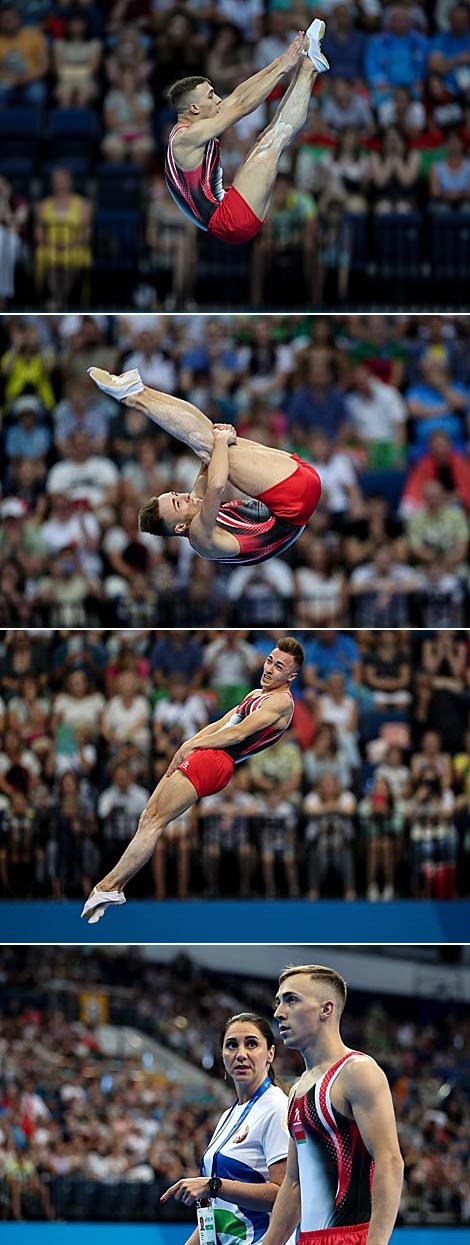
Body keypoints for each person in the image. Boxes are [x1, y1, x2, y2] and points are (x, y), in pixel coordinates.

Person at [81, 637, 304, 922]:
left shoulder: (282, 703)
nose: (270, 668)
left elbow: (237, 734)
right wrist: (188, 743)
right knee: (148, 817)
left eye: (280, 666)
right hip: (209, 753)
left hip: (217, 760)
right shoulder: (255, 693)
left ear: (291, 676)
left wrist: (195, 747)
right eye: (270, 660)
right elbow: (221, 724)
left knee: (155, 820)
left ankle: (108, 886)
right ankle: (114, 886)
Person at [87, 368, 322, 565]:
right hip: (294, 502)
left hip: (297, 497)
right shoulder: (200, 536)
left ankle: (140, 390)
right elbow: (217, 485)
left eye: (177, 494)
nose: (185, 497)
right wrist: (220, 442)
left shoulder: (194, 508)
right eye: (178, 503)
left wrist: (218, 440)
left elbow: (206, 461)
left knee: (207, 437)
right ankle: (132, 397)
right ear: (180, 527)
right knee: (209, 442)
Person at [264, 964, 404, 1245]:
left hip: (354, 1238)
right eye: (279, 1002)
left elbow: (389, 1161)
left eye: (291, 1000)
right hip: (308, 1239)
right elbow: (294, 1183)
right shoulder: (297, 1090)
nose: (279, 1012)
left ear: (326, 1009)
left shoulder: (357, 1072)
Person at [164, 23, 329, 244]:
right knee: (272, 141)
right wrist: (283, 67)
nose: (218, 100)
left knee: (269, 138)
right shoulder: (186, 138)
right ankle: (308, 67)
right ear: (194, 108)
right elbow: (243, 107)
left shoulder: (200, 121)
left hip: (226, 208)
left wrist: (282, 60)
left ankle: (308, 63)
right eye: (211, 96)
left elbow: (239, 94)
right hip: (229, 220)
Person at [160, 1012, 295, 1245]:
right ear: (222, 1055)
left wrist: (213, 1185)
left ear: (270, 1053)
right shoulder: (228, 1116)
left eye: (251, 1044)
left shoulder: (276, 1108)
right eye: (231, 1045)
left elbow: (285, 1195)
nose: (241, 1054)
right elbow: (219, 1212)